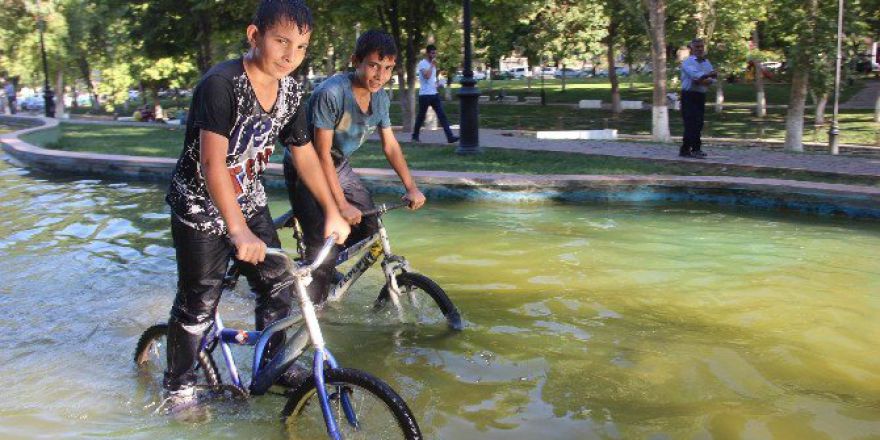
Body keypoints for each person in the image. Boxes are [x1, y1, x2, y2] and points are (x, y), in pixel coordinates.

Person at [161, 0, 350, 415]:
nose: (290, 55)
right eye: (281, 41)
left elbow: (303, 154)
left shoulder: (291, 90)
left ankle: (274, 367)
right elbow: (212, 163)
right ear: (254, 36)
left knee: (280, 285)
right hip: (199, 207)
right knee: (199, 303)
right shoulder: (222, 84)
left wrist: (333, 208)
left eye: (300, 47)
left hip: (247, 200)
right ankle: (178, 386)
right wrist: (237, 230)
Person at [283, 29, 426, 305]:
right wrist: (340, 206)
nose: (380, 75)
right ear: (355, 61)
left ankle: (323, 261)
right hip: (307, 166)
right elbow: (320, 154)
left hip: (338, 164)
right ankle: (314, 287)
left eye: (387, 68)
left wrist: (411, 187)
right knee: (323, 246)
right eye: (373, 65)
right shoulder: (332, 93)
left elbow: (391, 146)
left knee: (369, 225)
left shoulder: (381, 98)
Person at [411, 44, 458, 143]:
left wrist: (439, 84)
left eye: (435, 53)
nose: (434, 55)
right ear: (427, 53)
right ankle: (415, 136)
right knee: (421, 116)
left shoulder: (433, 65)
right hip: (425, 95)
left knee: (442, 115)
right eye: (432, 53)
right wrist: (432, 65)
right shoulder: (422, 64)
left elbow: (432, 80)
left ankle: (450, 137)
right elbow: (426, 76)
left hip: (434, 94)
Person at [679, 38, 717, 158]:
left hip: (700, 95)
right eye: (697, 47)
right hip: (688, 95)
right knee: (691, 123)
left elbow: (712, 79)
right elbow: (696, 77)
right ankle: (689, 149)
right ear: (692, 49)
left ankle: (692, 149)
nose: (700, 49)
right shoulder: (688, 62)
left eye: (701, 46)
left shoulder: (706, 62)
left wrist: (705, 79)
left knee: (699, 123)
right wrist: (705, 77)